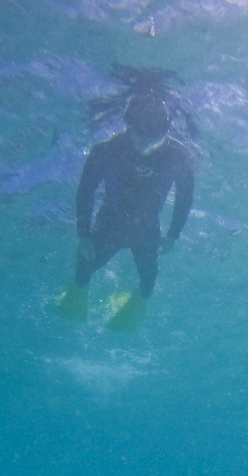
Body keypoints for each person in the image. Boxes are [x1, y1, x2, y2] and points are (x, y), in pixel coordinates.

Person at [59, 93, 195, 331]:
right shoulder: (105, 151)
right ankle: (77, 298)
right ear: (129, 126)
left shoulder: (178, 157)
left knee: (148, 284)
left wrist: (173, 235)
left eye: (155, 139)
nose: (147, 146)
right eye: (142, 138)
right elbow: (85, 192)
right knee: (82, 269)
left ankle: (129, 305)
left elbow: (185, 197)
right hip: (109, 225)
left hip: (146, 230)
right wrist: (84, 234)